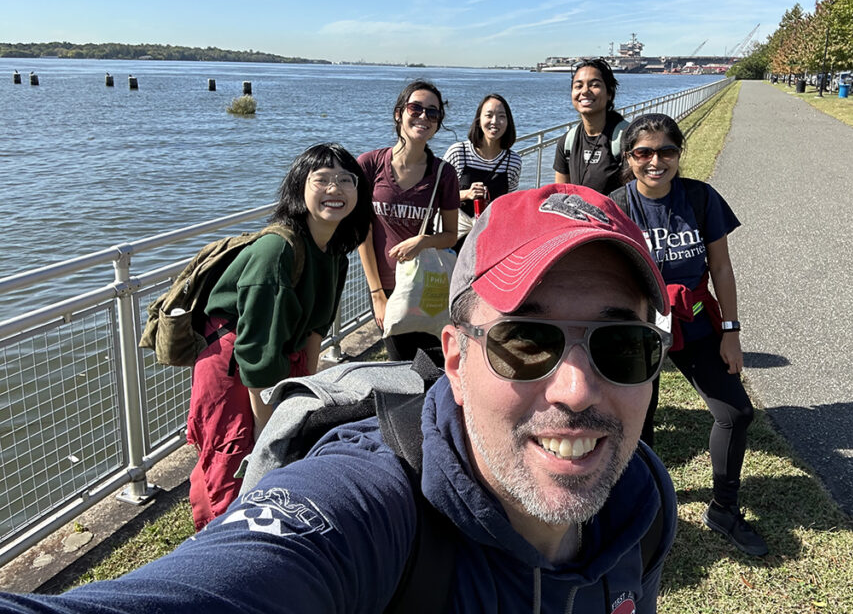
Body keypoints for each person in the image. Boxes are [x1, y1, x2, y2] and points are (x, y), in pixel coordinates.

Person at [0, 185, 678, 613]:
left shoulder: (641, 506)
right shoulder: (366, 512)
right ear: (454, 358)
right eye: (526, 342)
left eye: (623, 345)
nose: (579, 387)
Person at [187, 142, 372, 530]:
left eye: (345, 180)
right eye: (321, 180)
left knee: (279, 450)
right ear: (299, 188)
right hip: (236, 362)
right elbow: (257, 354)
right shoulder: (277, 250)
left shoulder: (335, 249)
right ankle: (218, 543)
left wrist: (303, 397)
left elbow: (317, 328)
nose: (334, 189)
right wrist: (268, 428)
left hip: (281, 353)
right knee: (236, 459)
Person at [609, 113, 767, 557]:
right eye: (643, 153)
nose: (655, 161)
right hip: (640, 327)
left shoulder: (699, 198)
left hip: (696, 321)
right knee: (640, 423)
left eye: (666, 151)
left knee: (735, 413)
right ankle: (643, 508)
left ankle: (723, 508)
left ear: (679, 154)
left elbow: (721, 267)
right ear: (629, 157)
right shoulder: (615, 206)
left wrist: (731, 332)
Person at [357, 80, 460, 362]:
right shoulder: (370, 164)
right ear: (399, 113)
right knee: (399, 363)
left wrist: (423, 240)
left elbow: (451, 235)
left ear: (438, 123)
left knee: (431, 363)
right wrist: (377, 292)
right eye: (415, 108)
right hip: (386, 287)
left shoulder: (444, 174)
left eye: (433, 112)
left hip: (425, 284)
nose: (423, 117)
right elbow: (361, 232)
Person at [442, 93, 522, 250]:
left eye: (501, 116)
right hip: (454, 239)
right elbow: (437, 195)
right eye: (489, 115)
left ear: (508, 122)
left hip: (490, 241)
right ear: (479, 120)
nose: (495, 122)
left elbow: (509, 205)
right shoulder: (459, 152)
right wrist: (467, 194)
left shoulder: (513, 162)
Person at [552, 58, 628, 194]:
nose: (585, 91)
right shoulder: (567, 142)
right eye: (578, 86)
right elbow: (560, 196)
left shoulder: (626, 138)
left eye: (595, 85)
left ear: (609, 93)